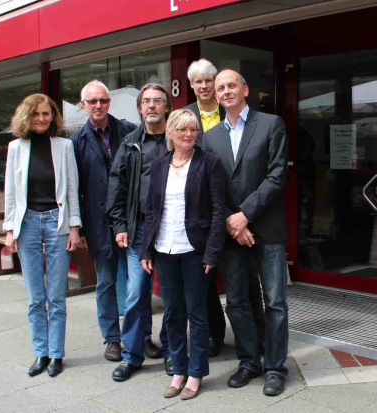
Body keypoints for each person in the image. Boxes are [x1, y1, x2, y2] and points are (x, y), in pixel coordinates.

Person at [202, 69, 290, 397]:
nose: (225, 91)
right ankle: (249, 360)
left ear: (245, 89)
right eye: (220, 87)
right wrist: (231, 220)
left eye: (231, 85)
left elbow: (277, 176)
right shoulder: (210, 136)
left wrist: (245, 215)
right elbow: (212, 186)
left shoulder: (271, 124)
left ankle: (275, 367)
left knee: (276, 300)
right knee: (236, 300)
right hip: (230, 232)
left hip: (266, 228)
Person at [140, 109, 226, 400]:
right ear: (171, 133)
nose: (189, 134)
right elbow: (151, 210)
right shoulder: (159, 164)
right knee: (172, 314)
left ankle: (195, 373)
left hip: (194, 251)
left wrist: (212, 253)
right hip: (164, 250)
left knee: (197, 313)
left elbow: (217, 211)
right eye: (183, 130)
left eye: (193, 130)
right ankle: (178, 369)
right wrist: (146, 249)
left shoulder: (209, 163)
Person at [184, 59, 266, 358]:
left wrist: (238, 217)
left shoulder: (232, 112)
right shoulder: (184, 116)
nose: (206, 87)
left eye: (211, 81)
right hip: (202, 215)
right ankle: (214, 337)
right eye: (199, 82)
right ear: (192, 86)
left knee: (246, 282)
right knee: (205, 282)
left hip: (234, 212)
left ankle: (258, 339)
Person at [3, 93, 82, 378]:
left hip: (56, 223)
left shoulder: (64, 146)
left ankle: (57, 354)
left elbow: (72, 189)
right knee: (36, 297)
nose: (41, 118)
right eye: (36, 114)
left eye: (46, 113)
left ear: (53, 117)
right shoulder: (16, 148)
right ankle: (41, 352)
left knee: (56, 295)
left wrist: (74, 227)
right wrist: (10, 230)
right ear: (27, 115)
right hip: (27, 224)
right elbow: (10, 193)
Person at [107, 83, 171, 381]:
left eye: (158, 100)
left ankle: (172, 352)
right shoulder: (130, 144)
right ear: (139, 108)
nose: (152, 106)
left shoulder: (177, 140)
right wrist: (119, 225)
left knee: (172, 295)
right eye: (146, 101)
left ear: (166, 107)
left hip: (172, 229)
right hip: (139, 229)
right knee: (135, 294)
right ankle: (132, 356)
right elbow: (116, 187)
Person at [70, 80, 137, 362]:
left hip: (130, 219)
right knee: (106, 283)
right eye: (93, 101)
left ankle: (139, 336)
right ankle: (112, 338)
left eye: (104, 101)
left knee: (138, 282)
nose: (99, 106)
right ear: (83, 105)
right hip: (98, 223)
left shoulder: (130, 131)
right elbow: (73, 187)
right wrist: (80, 228)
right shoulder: (76, 141)